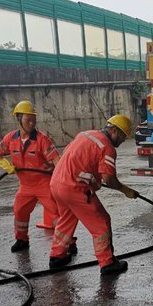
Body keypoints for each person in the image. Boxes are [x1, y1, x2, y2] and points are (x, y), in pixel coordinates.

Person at [48, 114, 138, 275]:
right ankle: (107, 262)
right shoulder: (107, 147)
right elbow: (109, 178)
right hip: (74, 188)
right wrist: (125, 190)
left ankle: (57, 257)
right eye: (124, 136)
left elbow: (75, 159)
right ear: (115, 131)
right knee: (101, 222)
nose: (124, 140)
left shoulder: (85, 134)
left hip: (56, 184)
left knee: (67, 219)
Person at [0, 100, 76, 255]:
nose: (31, 123)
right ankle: (22, 240)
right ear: (18, 119)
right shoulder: (11, 138)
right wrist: (5, 164)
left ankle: (69, 243)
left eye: (33, 120)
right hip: (25, 186)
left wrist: (62, 173)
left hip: (44, 184)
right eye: (27, 120)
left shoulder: (42, 140)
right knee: (19, 212)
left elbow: (57, 160)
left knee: (56, 215)